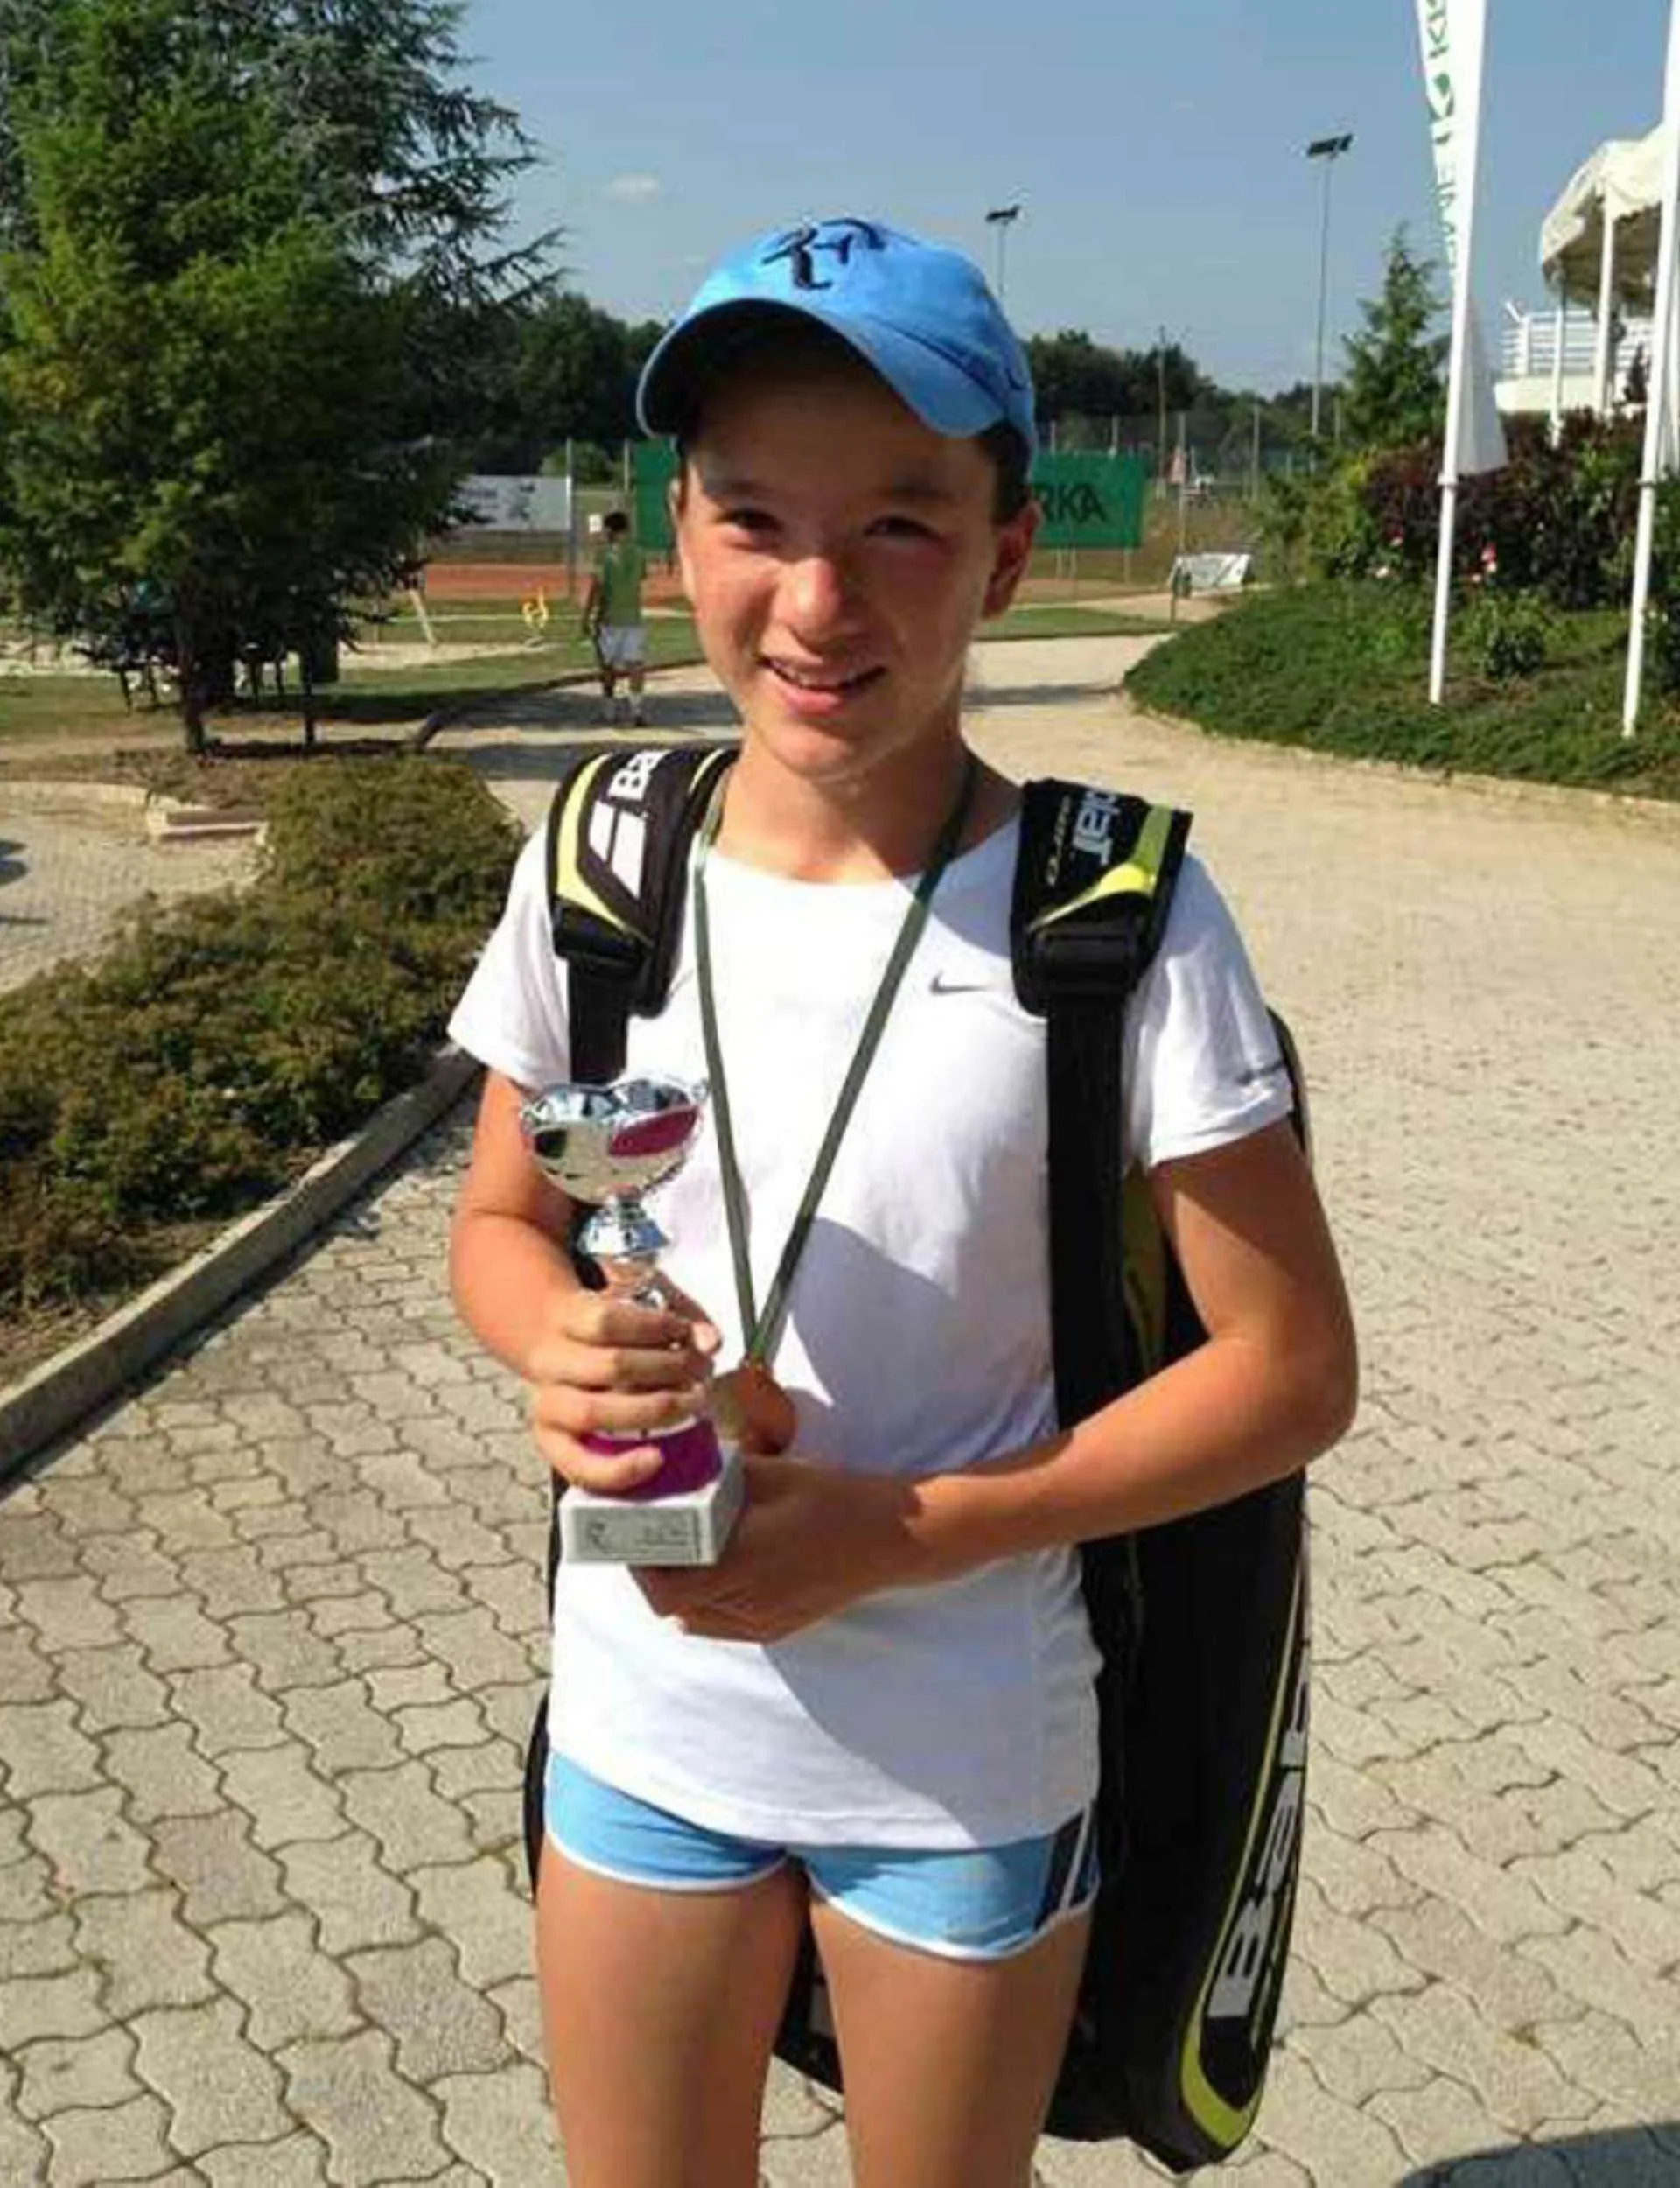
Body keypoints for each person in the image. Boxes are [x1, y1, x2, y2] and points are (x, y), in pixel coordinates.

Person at [447, 216, 1357, 2188]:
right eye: (755, 516)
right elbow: (501, 1223)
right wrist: (563, 1348)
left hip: (962, 1756)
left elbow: (1292, 1370)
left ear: (1012, 553)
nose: (815, 595)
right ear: (673, 532)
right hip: (644, 1732)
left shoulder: (1116, 917)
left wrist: (913, 1528)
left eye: (902, 527)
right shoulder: (599, 863)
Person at [581, 507, 648, 725]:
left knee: (607, 666)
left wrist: (586, 616)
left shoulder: (604, 555)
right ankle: (636, 711)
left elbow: (596, 588)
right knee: (635, 665)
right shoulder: (639, 553)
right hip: (634, 617)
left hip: (609, 618)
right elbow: (640, 579)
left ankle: (609, 711)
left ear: (610, 529)